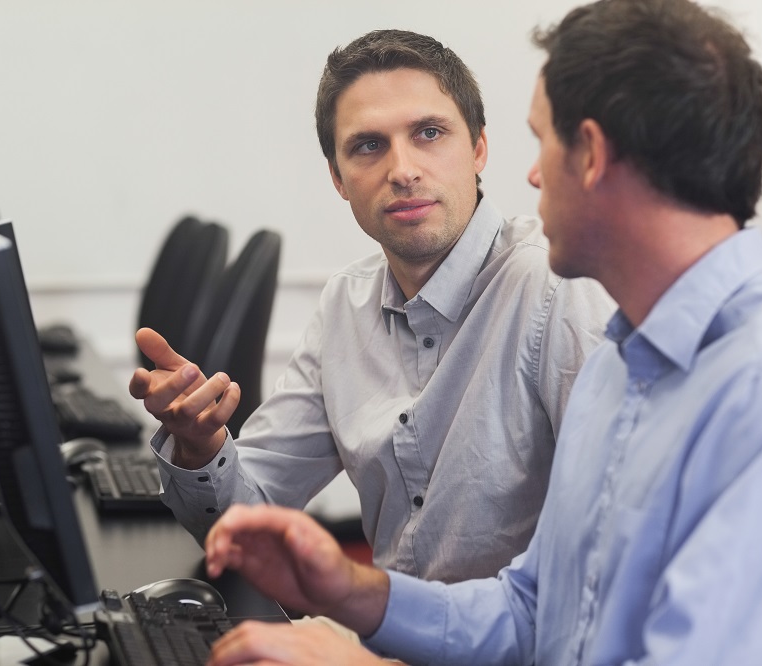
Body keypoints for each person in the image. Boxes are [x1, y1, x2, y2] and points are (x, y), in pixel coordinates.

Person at [202, 0, 762, 663]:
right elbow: (535, 613)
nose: (533, 175)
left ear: (591, 155)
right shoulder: (621, 360)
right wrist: (355, 591)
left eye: (542, 141)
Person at [131, 29, 614, 585]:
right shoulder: (347, 304)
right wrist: (200, 446)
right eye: (368, 145)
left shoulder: (557, 287)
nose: (403, 170)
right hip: (385, 622)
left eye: (429, 133)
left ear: (479, 148)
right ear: (338, 178)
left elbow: (609, 555)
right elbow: (244, 518)